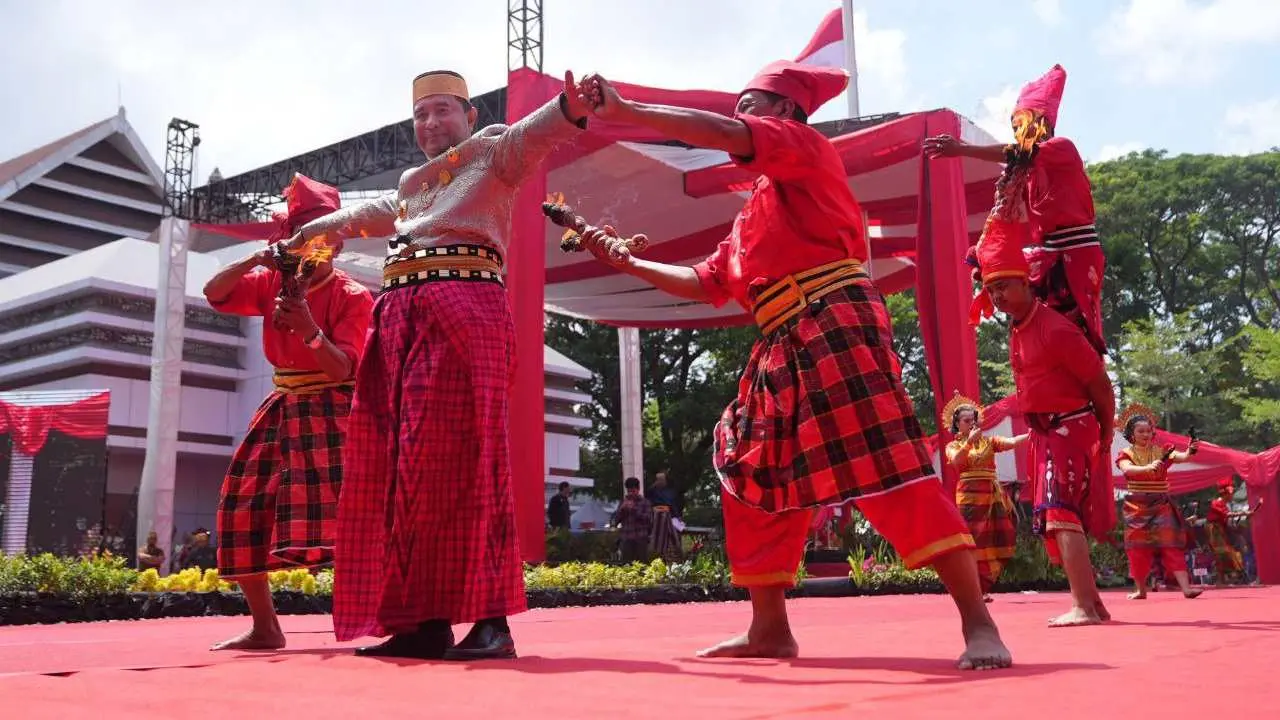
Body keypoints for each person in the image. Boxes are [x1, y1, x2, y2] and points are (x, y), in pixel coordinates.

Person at [571, 61, 1011, 670]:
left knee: (886, 470)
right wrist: (622, 260)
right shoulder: (751, 214)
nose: (738, 119)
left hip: (836, 320)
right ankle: (769, 628)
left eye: (750, 107)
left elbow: (718, 133)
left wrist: (628, 115)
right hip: (779, 337)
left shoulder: (807, 149)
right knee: (748, 468)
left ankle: (979, 625)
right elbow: (704, 282)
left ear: (783, 115)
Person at [285, 69, 591, 661]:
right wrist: (295, 246)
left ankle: (493, 620)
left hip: (463, 307)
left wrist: (569, 108)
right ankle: (422, 621)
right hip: (400, 318)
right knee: (403, 468)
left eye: (443, 110)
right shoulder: (407, 189)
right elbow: (347, 222)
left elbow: (535, 134)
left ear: (469, 115)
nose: (431, 123)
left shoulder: (491, 152)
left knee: (469, 456)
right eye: (422, 114)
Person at [204, 174, 374, 651]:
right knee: (242, 504)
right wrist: (256, 257)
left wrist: (309, 330)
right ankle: (266, 626)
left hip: (335, 408)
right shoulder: (270, 281)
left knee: (356, 520)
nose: (313, 249)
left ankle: (383, 618)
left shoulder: (352, 295)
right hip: (283, 404)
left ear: (336, 246)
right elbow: (214, 293)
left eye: (323, 238)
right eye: (301, 238)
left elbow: (343, 368)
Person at [974, 210, 1116, 627]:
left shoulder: (1055, 329)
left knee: (1061, 513)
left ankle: (1084, 606)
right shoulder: (1018, 328)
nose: (997, 296)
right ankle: (1094, 603)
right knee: (1059, 515)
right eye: (990, 289)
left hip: (1069, 425)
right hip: (1049, 431)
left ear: (1025, 282)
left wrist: (1106, 432)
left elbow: (1101, 386)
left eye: (1003, 286)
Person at [924, 64, 1105, 356]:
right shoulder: (1023, 175)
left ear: (1043, 124)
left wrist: (961, 150)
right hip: (1046, 255)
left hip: (1077, 254)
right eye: (1016, 124)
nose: (1020, 131)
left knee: (1071, 329)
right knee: (1022, 311)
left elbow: (1020, 152)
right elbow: (1012, 226)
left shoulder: (1061, 149)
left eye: (1026, 123)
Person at [1114, 403, 1203, 600]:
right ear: (1132, 433)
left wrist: (1191, 450)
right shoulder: (1126, 454)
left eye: (1148, 430)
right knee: (1137, 549)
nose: (1145, 434)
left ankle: (1186, 588)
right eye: (1141, 431)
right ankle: (1140, 589)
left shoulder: (1162, 451)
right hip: (1136, 507)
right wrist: (1147, 468)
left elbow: (1182, 457)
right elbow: (1128, 469)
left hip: (1161, 505)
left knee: (1171, 545)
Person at [943, 395, 1027, 602]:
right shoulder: (953, 446)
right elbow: (956, 462)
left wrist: (1034, 433)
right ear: (957, 424)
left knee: (995, 537)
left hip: (991, 494)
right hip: (970, 497)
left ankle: (982, 586)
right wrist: (968, 444)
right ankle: (970, 588)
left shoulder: (989, 442)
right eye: (966, 421)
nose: (972, 424)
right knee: (972, 541)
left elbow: (1012, 442)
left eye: (974, 420)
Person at [613, 477, 653, 563]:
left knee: (641, 563)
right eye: (629, 491)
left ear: (638, 490)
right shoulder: (623, 502)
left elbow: (648, 519)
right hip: (626, 537)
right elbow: (616, 521)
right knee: (626, 563)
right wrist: (622, 510)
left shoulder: (645, 502)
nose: (631, 493)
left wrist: (634, 509)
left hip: (641, 538)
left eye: (633, 491)